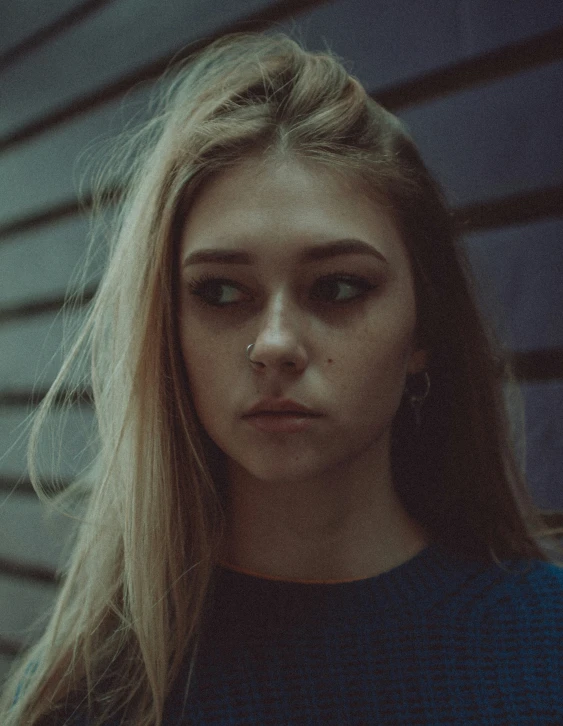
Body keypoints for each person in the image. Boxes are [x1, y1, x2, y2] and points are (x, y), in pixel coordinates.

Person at [2, 30, 562, 726]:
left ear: (423, 330)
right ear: (165, 332)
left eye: (337, 287)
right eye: (221, 293)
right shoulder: (83, 696)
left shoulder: (547, 643)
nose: (273, 344)